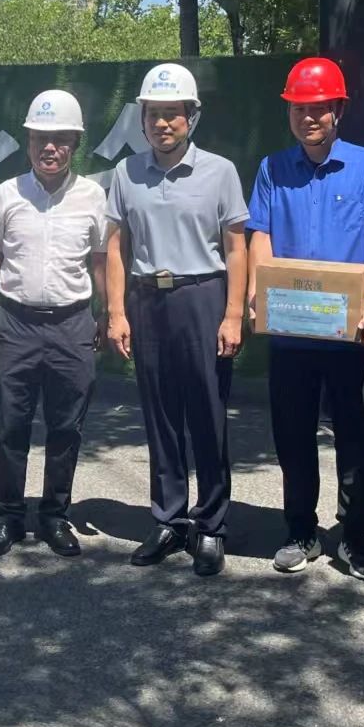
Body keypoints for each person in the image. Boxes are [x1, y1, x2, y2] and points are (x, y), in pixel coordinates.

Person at [247, 57, 364, 583]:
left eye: (318, 108)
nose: (308, 117)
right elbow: (260, 234)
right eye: (298, 109)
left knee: (354, 435)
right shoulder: (272, 168)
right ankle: (301, 531)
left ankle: (357, 538)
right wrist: (258, 292)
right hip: (291, 329)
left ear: (338, 109)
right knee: (292, 433)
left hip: (352, 330)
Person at [106, 62, 249, 577]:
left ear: (192, 116)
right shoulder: (126, 173)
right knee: (160, 415)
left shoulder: (220, 171)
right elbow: (116, 246)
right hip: (147, 300)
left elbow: (236, 248)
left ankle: (211, 526)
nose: (162, 123)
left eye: (173, 113)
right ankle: (169, 519)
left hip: (202, 296)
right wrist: (116, 311)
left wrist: (234, 313)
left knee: (207, 415)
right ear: (142, 119)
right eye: (153, 114)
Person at [0, 90, 108, 559]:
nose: (49, 148)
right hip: (17, 325)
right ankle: (9, 516)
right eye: (40, 139)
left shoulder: (93, 196)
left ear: (75, 143)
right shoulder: (8, 193)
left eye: (60, 139)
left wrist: (109, 313)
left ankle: (54, 516)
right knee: (12, 426)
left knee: (66, 427)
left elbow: (101, 260)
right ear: (28, 142)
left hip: (73, 324)